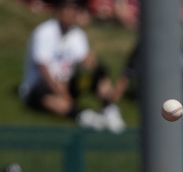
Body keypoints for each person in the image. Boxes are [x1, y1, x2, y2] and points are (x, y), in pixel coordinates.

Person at [18, 0, 126, 133]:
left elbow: (85, 60)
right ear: (59, 11)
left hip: (66, 82)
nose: (71, 14)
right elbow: (43, 69)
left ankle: (109, 108)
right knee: (56, 102)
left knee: (98, 73)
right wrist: (61, 91)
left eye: (74, 10)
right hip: (41, 86)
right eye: (68, 9)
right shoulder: (44, 32)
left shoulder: (77, 34)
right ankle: (84, 116)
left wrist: (96, 67)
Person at [112, 39, 183, 129]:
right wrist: (114, 99)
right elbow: (128, 73)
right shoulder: (144, 44)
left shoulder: (182, 43)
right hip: (153, 90)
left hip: (179, 89)